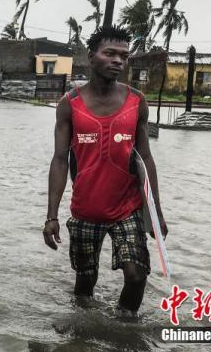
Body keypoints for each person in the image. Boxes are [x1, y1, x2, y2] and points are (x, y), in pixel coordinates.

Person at [43, 26, 168, 317]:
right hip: (86, 209)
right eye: (109, 53)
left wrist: (157, 213)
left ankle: (124, 333)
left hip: (127, 208)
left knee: (137, 276)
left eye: (124, 56)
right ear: (91, 57)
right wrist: (51, 217)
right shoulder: (69, 104)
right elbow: (60, 160)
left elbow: (146, 158)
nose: (118, 61)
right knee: (85, 283)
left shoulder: (137, 101)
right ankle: (83, 334)